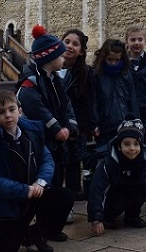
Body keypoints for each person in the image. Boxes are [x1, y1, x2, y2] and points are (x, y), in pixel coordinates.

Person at [0, 90, 74, 252]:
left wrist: (40, 182)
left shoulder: (31, 133)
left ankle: (36, 233)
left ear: (19, 111)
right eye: (1, 112)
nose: (8, 115)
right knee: (6, 247)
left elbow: (47, 160)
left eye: (11, 110)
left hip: (34, 192)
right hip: (8, 203)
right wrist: (24, 191)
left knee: (65, 197)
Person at [17, 25, 79, 191]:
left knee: (57, 172)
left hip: (55, 142)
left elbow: (65, 104)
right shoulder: (31, 81)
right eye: (60, 56)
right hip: (41, 140)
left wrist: (69, 126)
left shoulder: (55, 80)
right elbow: (35, 107)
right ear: (50, 58)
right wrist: (57, 128)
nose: (63, 59)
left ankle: (54, 206)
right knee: (46, 175)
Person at [87, 116, 146, 234]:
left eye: (136, 144)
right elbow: (97, 190)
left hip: (133, 192)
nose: (132, 148)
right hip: (113, 198)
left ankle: (132, 216)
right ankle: (107, 217)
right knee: (119, 199)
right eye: (127, 144)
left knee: (141, 189)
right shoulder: (109, 163)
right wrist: (96, 219)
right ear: (119, 146)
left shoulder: (145, 162)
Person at [59, 28, 94, 201]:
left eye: (75, 44)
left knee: (73, 165)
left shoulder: (86, 73)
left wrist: (85, 124)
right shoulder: (48, 69)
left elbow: (89, 102)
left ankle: (69, 202)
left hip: (75, 127)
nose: (70, 46)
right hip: (55, 125)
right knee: (55, 165)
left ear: (81, 51)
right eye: (67, 42)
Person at [92, 39, 138, 147]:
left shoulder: (126, 74)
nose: (113, 63)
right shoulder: (97, 75)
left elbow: (133, 99)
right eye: (110, 60)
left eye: (117, 60)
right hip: (105, 127)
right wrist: (95, 123)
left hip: (125, 124)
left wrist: (135, 120)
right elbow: (94, 101)